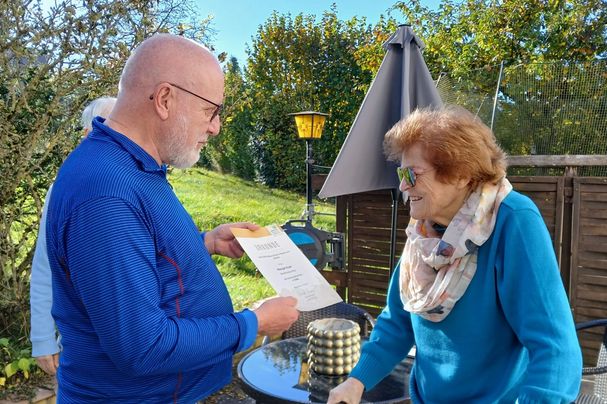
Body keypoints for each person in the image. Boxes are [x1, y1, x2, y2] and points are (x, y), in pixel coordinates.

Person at [46, 33, 299, 403]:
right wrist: (253, 323)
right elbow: (143, 347)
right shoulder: (104, 194)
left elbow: (140, 255)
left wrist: (206, 242)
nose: (215, 127)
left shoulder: (134, 166)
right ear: (165, 99)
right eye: (211, 110)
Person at [327, 106, 582, 404]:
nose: (402, 185)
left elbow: (556, 349)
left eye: (413, 173)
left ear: (460, 174)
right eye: (401, 172)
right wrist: (357, 380)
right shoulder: (422, 231)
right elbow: (398, 320)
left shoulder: (514, 221)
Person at [29, 96, 116, 376]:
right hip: (82, 349)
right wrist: (42, 338)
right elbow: (45, 265)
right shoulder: (66, 187)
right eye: (104, 126)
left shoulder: (134, 185)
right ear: (87, 134)